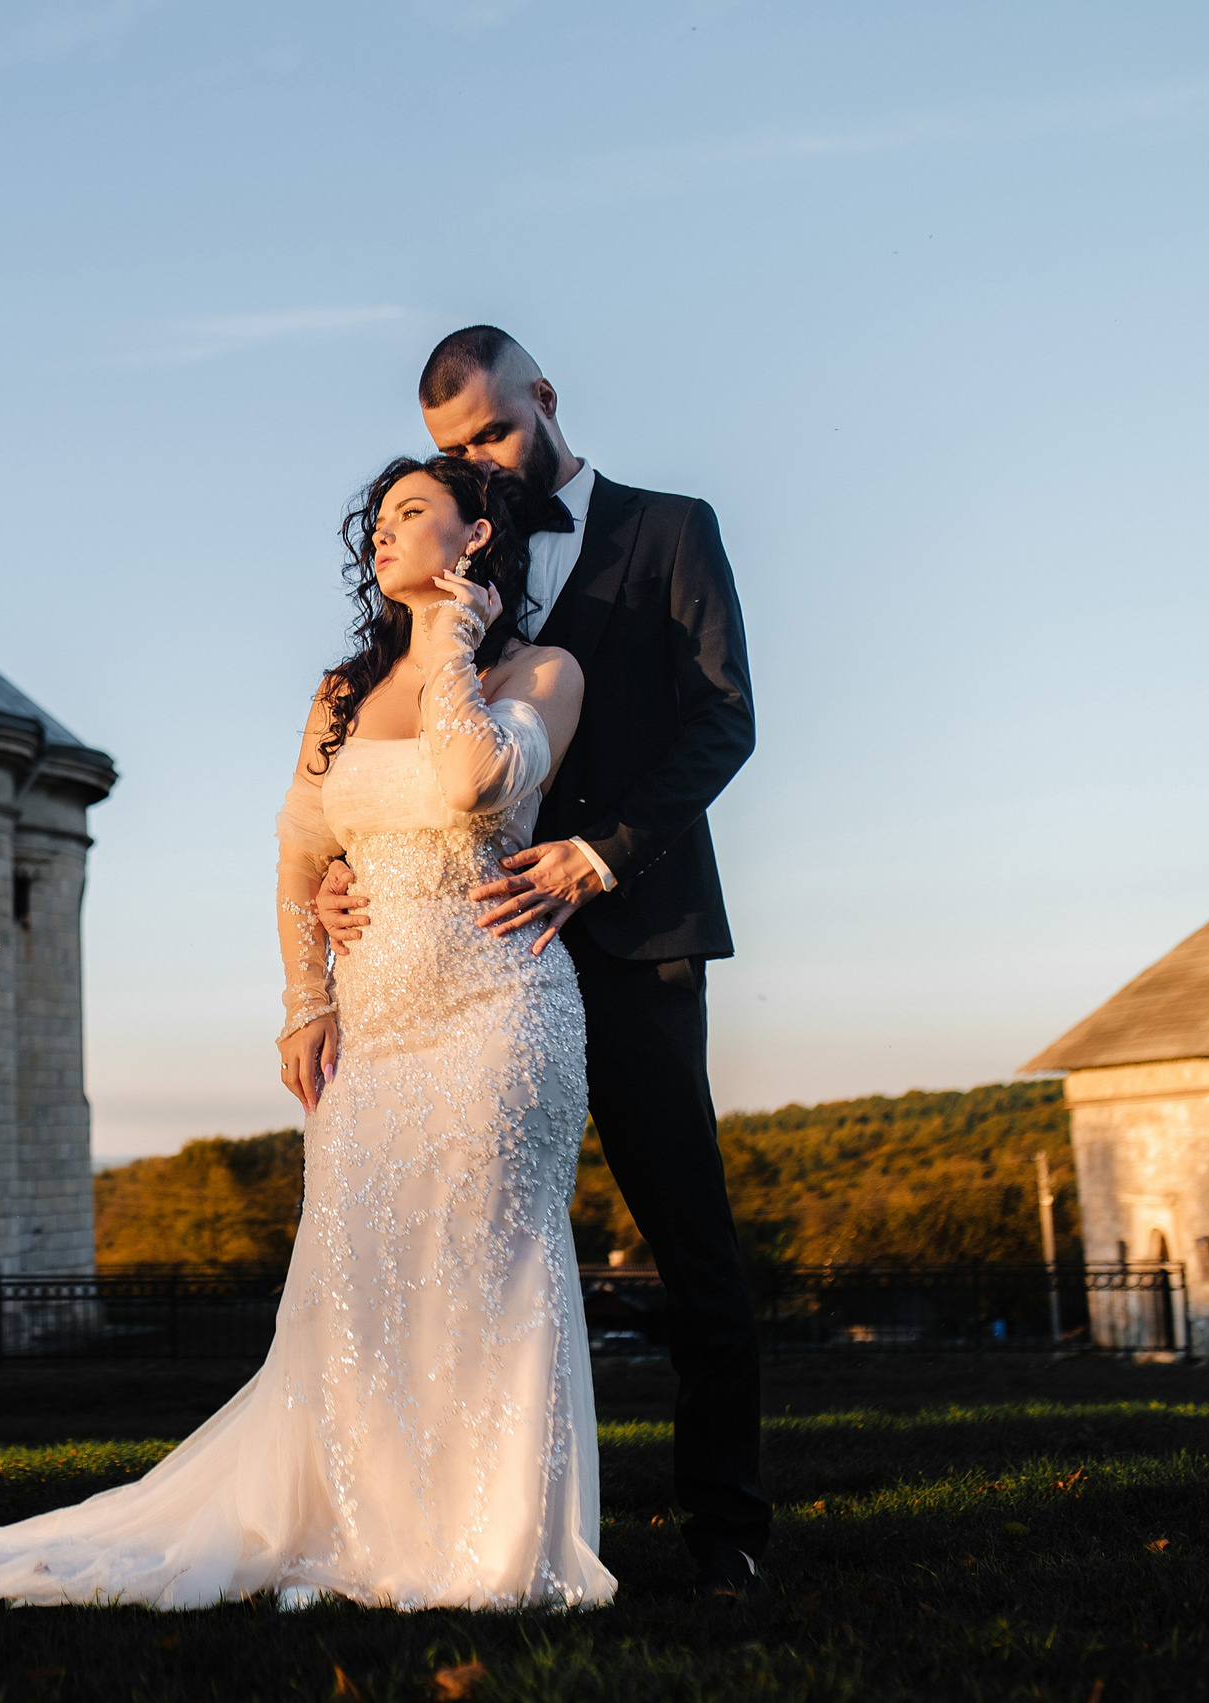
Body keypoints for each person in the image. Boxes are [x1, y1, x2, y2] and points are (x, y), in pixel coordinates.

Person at [0, 456, 610, 1610]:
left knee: (490, 1270)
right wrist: (307, 997)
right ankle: (376, 1518)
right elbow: (300, 849)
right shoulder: (338, 697)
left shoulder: (541, 670)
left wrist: (450, 642)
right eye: (377, 520)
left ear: (475, 532)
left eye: (410, 513)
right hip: (378, 1032)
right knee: (364, 1281)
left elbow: (473, 787)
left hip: (499, 1014)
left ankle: (489, 1541)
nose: (383, 535)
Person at [316, 326, 767, 1597]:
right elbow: (408, 740)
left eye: (494, 435)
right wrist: (361, 861)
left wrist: (601, 854)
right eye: (456, 453)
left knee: (688, 1240)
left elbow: (723, 720)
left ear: (546, 398)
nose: (482, 467)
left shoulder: (673, 528)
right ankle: (449, 1520)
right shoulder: (462, 546)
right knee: (453, 1251)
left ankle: (726, 1528)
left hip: (627, 934)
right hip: (456, 962)